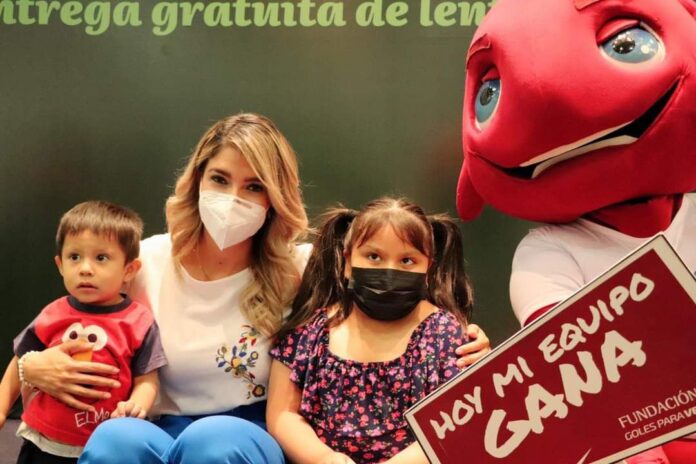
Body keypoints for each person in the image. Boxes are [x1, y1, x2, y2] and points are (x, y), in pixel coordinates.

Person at [18, 114, 491, 463]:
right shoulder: (145, 262)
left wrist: (471, 344)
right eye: (220, 179)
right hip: (153, 423)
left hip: (246, 432)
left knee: (214, 444)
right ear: (197, 180)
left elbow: (393, 295)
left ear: (274, 198)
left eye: (253, 186)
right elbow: (55, 325)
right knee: (112, 442)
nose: (233, 198)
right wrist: (30, 367)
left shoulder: (303, 268)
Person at [267, 197, 478, 464]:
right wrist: (324, 458)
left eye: (407, 260)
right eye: (374, 257)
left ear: (428, 268)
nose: (389, 271)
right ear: (347, 262)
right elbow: (283, 413)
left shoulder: (445, 335)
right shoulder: (311, 331)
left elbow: (457, 422)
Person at [0, 201, 165, 463]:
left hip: (104, 446)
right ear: (60, 265)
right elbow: (20, 361)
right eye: (74, 257)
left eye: (101, 258)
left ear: (129, 270)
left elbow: (147, 379)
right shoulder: (52, 314)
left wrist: (136, 406)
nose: (85, 269)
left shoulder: (139, 322)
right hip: (43, 441)